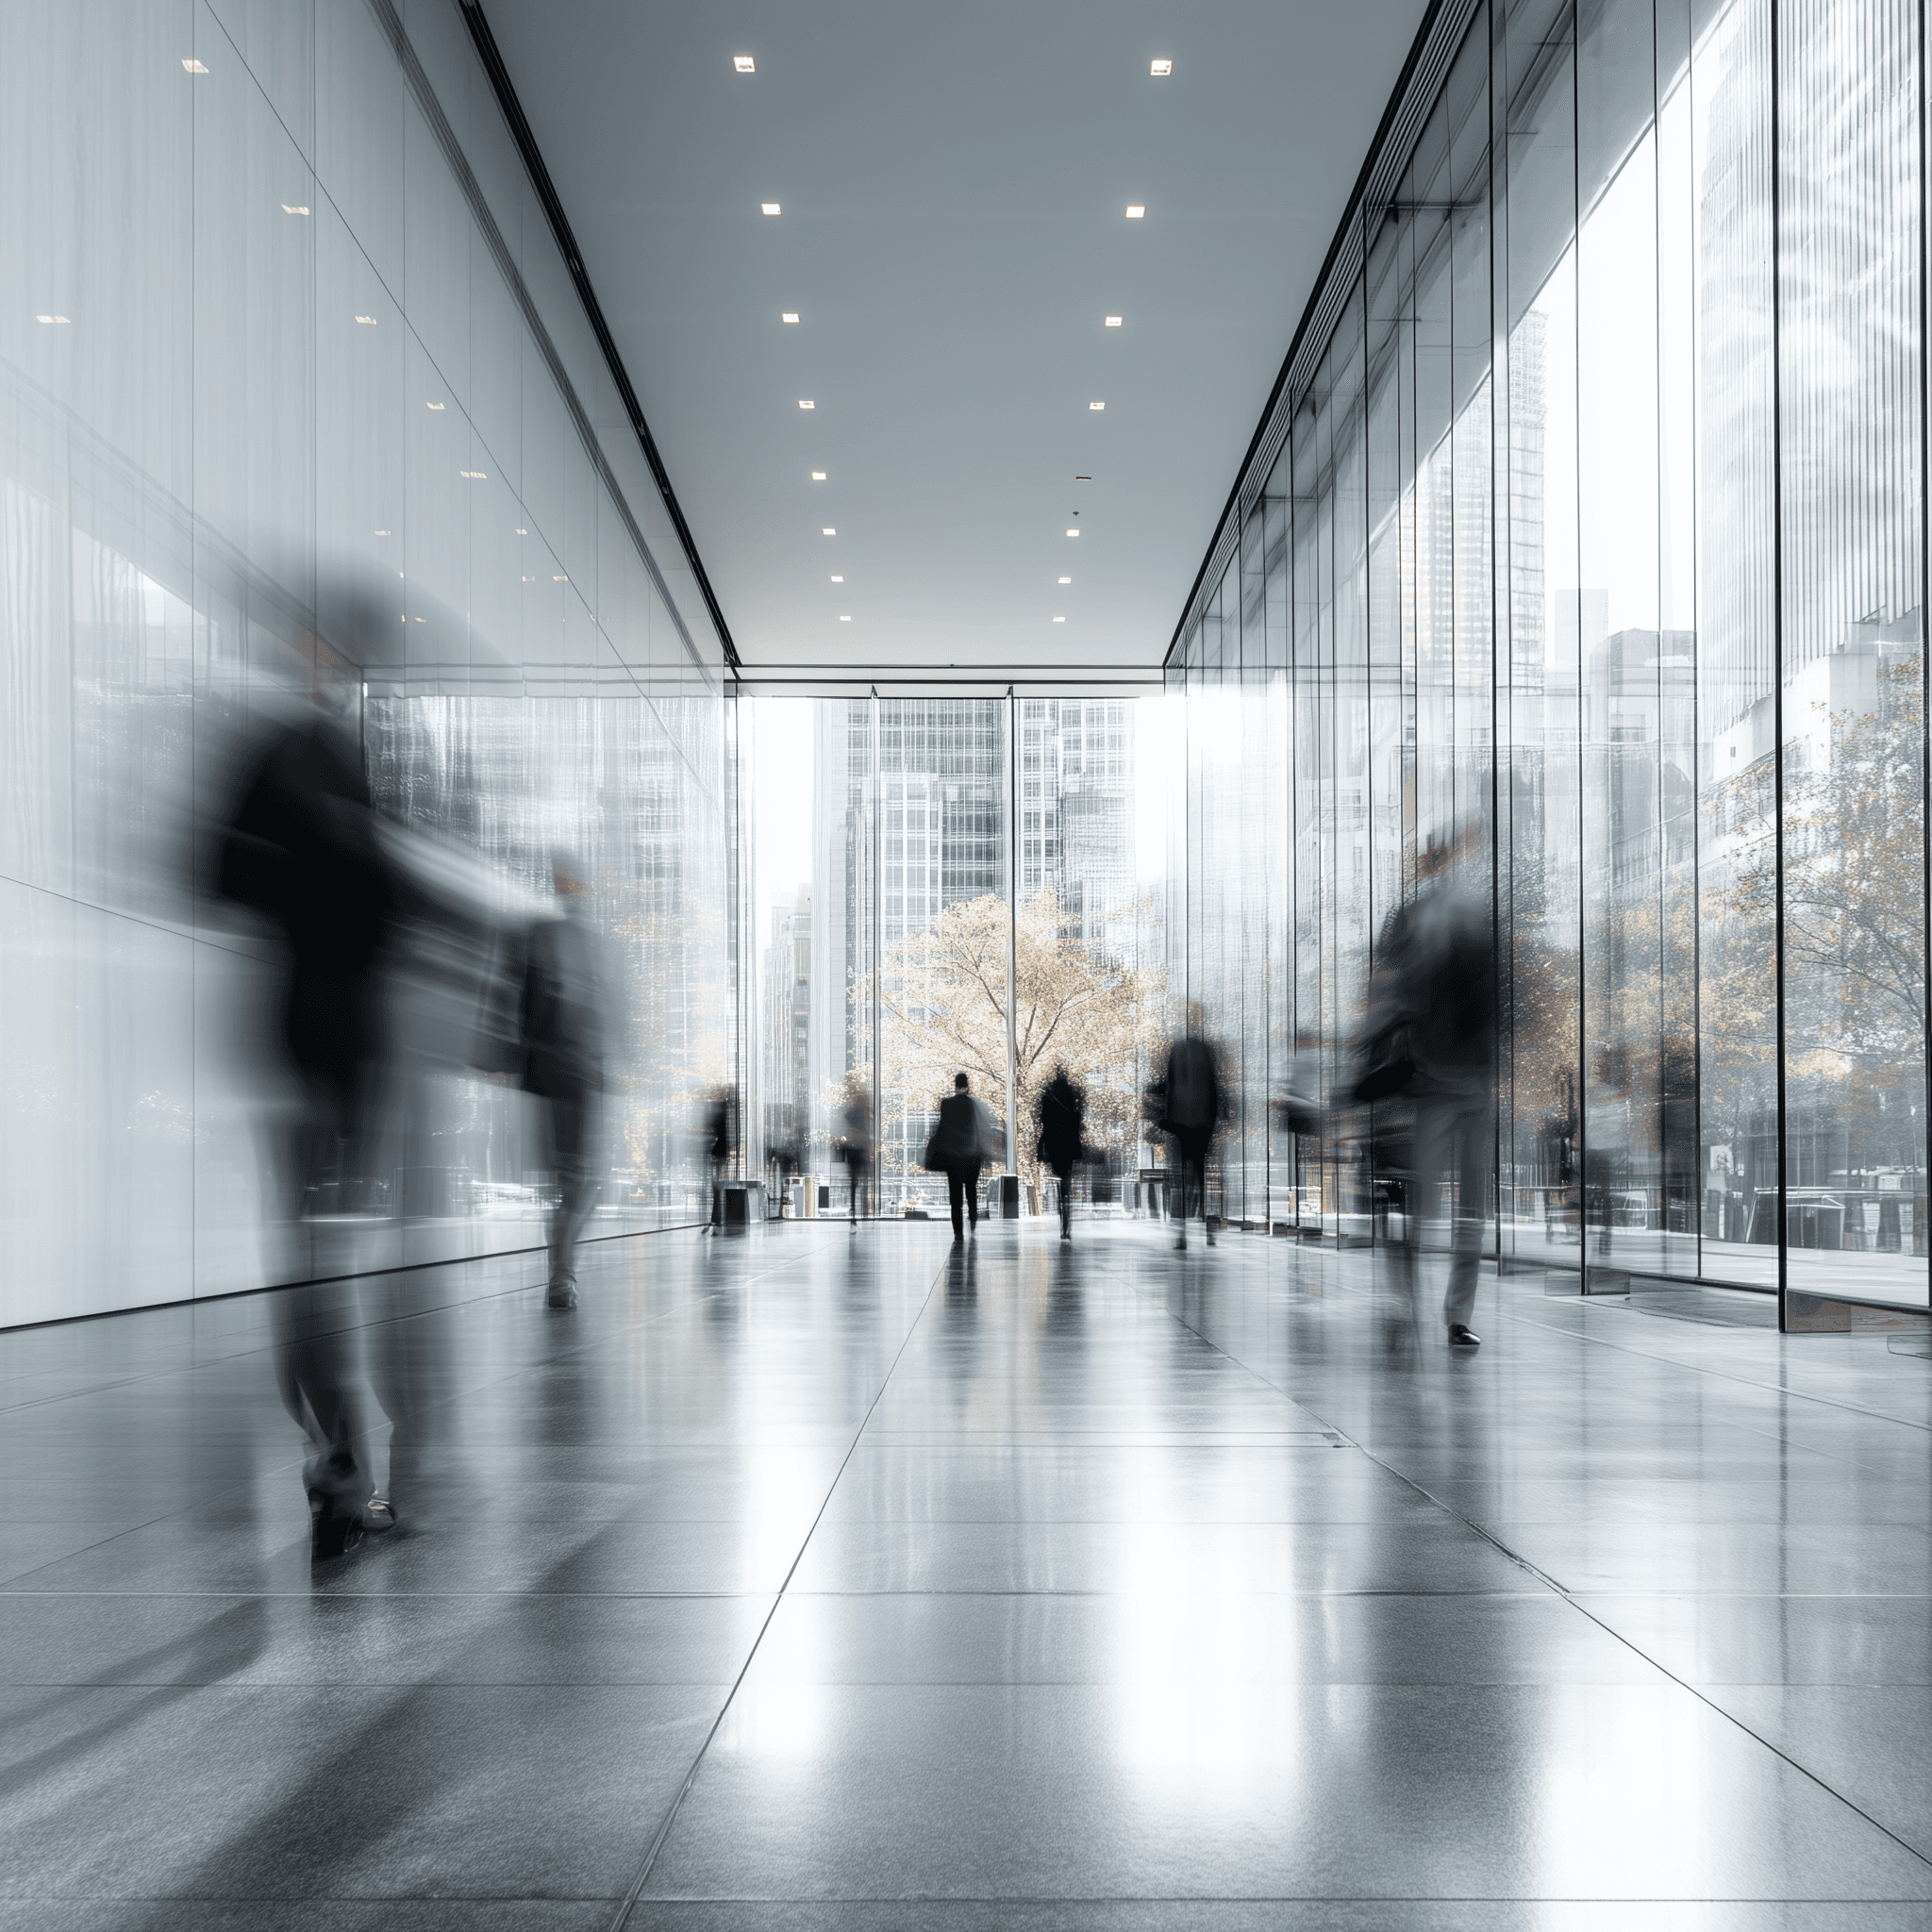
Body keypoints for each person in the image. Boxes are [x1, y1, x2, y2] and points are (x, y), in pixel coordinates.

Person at [214, 698, 400, 1558]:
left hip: (291, 1035)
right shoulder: (330, 786)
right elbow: (384, 913)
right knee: (322, 1261)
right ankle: (342, 1473)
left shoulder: (272, 764)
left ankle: (334, 1459)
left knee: (307, 1256)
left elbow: (216, 875)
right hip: (333, 1048)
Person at [1362, 838, 1496, 1347]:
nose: (1446, 869)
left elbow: (1494, 999)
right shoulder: (1412, 921)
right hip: (1434, 1080)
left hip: (1469, 1080)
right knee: (1428, 1203)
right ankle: (1415, 1304)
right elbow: (1388, 985)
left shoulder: (1474, 923)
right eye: (1437, 861)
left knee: (1470, 1209)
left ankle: (1456, 1315)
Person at [521, 853, 614, 1308]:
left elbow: (600, 1009)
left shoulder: (579, 939)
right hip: (562, 1070)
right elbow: (527, 1005)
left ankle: (562, 1272)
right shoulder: (545, 935)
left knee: (581, 1181)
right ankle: (562, 1274)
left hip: (578, 1071)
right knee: (575, 1179)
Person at [1160, 1028, 1223, 1250]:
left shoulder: (1176, 1050)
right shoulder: (1206, 1051)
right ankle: (1209, 1231)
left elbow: (1167, 1086)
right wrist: (1215, 1121)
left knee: (1182, 1182)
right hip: (1203, 1125)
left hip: (1181, 1124)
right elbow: (1215, 1087)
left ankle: (1182, 1235)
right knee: (1202, 1179)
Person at [1035, 1066, 1088, 1242]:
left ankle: (1062, 1221)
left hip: (1053, 1144)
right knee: (1066, 1183)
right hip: (1069, 1144)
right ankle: (1066, 1224)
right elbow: (1077, 1119)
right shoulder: (1072, 1093)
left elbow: (1043, 1120)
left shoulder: (1048, 1095)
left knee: (1059, 1186)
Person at [933, 1072, 988, 1241]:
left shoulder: (946, 1103)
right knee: (971, 1190)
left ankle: (958, 1232)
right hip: (972, 1155)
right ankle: (972, 1222)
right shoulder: (974, 1105)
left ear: (955, 1085)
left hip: (953, 1156)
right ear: (968, 1085)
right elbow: (983, 1129)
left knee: (955, 1195)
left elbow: (941, 1129)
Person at [837, 1081, 874, 1224]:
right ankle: (863, 1210)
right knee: (861, 1180)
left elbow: (845, 1123)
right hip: (861, 1149)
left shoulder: (851, 1113)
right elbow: (867, 1134)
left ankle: (854, 1212)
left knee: (853, 1182)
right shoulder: (865, 1115)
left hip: (853, 1149)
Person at [700, 1086, 732, 1233]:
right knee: (717, 1188)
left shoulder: (718, 1114)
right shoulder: (724, 1116)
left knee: (715, 1188)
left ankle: (714, 1220)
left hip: (717, 1154)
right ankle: (715, 1220)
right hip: (720, 1155)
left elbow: (713, 1133)